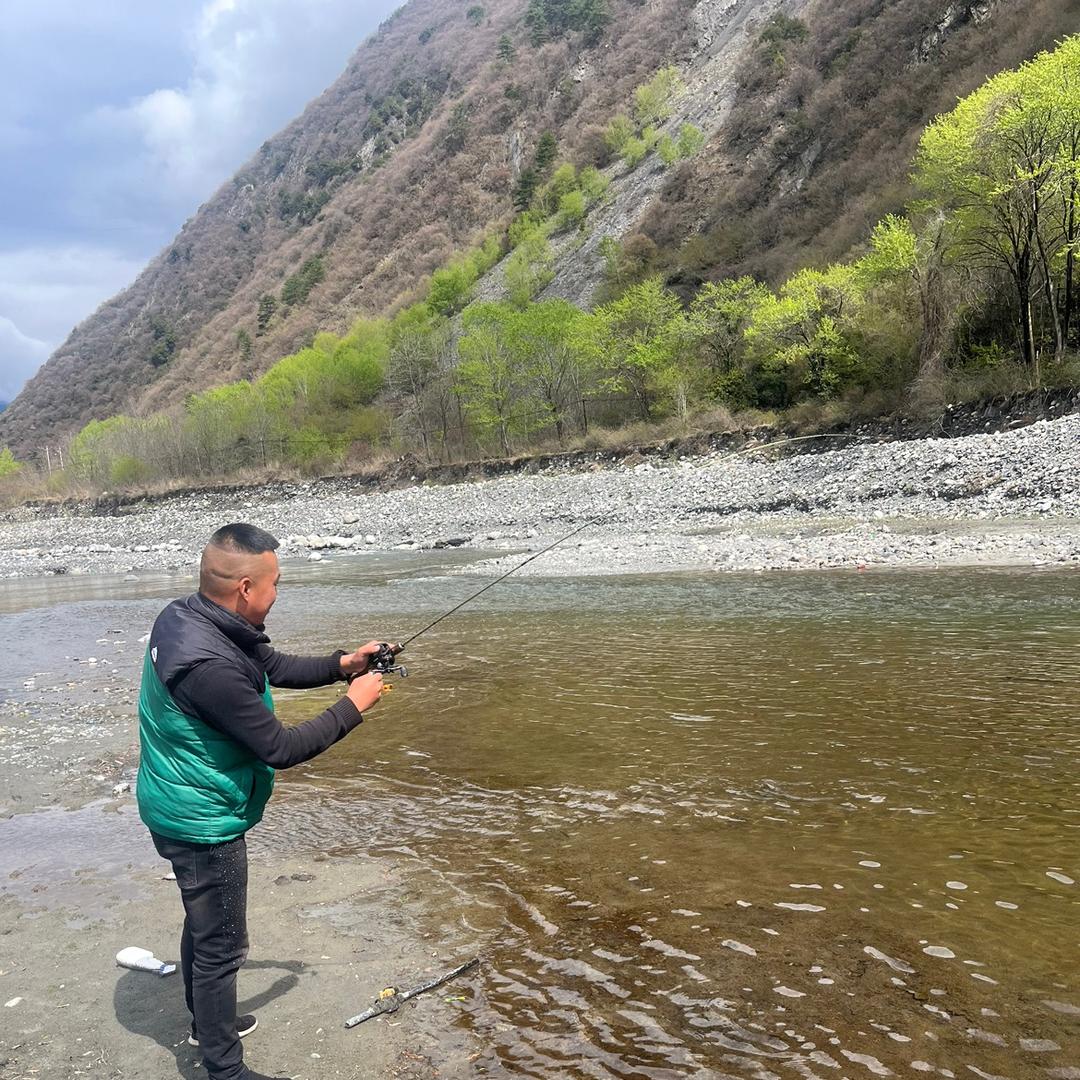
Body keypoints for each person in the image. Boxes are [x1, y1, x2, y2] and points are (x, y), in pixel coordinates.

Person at [136, 523, 385, 1080]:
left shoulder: (189, 616)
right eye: (275, 583)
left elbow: (270, 666)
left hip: (175, 797)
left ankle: (206, 1021)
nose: (279, 592)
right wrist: (354, 706)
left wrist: (343, 665)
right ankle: (224, 1070)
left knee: (205, 923)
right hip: (201, 819)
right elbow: (279, 747)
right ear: (246, 587)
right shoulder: (208, 667)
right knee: (224, 943)